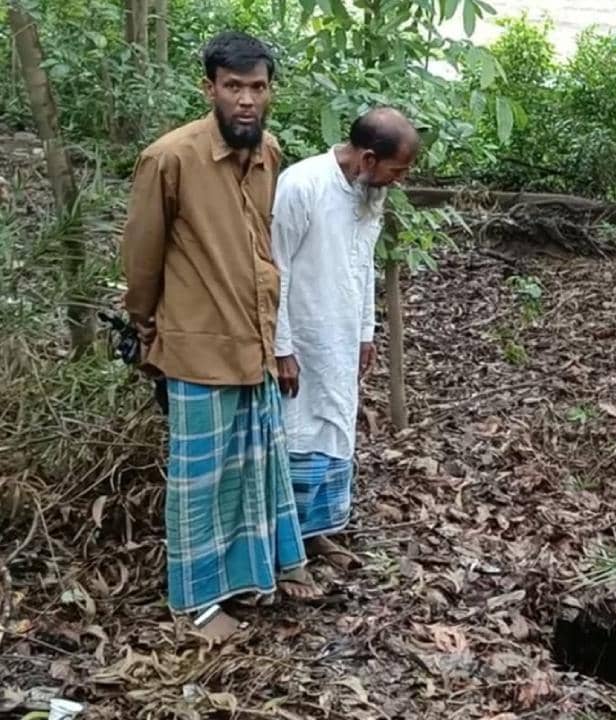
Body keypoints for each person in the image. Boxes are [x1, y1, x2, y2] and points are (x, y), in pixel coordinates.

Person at [121, 30, 321, 636]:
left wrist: (275, 338)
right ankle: (197, 602)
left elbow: (261, 246)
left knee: (253, 469)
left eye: (257, 87)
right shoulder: (169, 158)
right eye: (233, 86)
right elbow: (141, 259)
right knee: (199, 484)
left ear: (270, 91)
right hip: (196, 345)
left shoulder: (268, 153)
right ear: (209, 88)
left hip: (253, 340)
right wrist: (147, 329)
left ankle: (252, 575)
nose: (246, 100)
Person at [271, 108, 420, 572]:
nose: (399, 181)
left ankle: (318, 532)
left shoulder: (369, 192)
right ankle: (286, 550)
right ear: (368, 158)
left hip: (340, 338)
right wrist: (281, 348)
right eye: (396, 171)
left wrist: (364, 333)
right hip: (301, 337)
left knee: (334, 432)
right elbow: (275, 270)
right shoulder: (302, 185)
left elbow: (362, 265)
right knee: (297, 436)